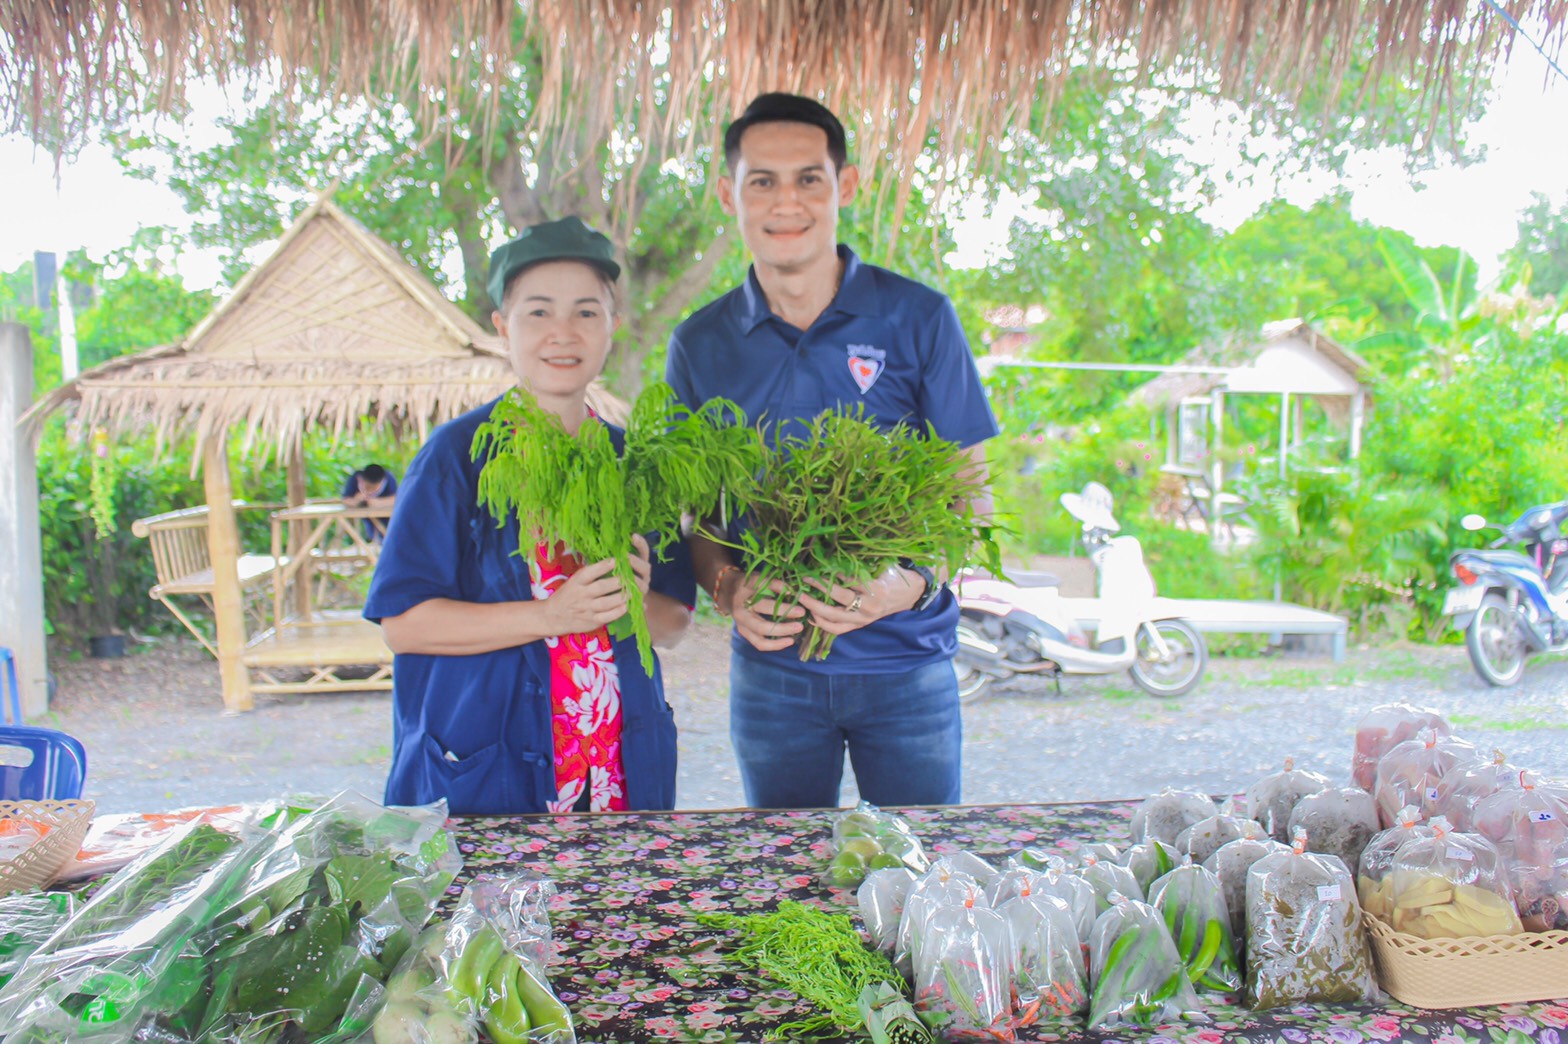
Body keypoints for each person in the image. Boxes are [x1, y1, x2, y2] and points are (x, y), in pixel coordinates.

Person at [665, 92, 998, 810]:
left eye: (808, 178)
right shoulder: (700, 342)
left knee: (919, 874)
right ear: (731, 194)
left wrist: (906, 585)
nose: (788, 201)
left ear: (844, 187)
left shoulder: (918, 317)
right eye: (763, 181)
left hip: (907, 668)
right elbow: (696, 523)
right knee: (789, 876)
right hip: (773, 677)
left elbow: (971, 499)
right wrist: (730, 590)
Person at [365, 216, 694, 815]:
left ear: (612, 328)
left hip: (618, 775)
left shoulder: (634, 460)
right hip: (490, 775)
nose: (562, 333)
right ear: (502, 328)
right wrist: (550, 615)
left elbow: (672, 624)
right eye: (538, 312)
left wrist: (634, 597)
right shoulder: (457, 456)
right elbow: (404, 625)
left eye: (586, 313)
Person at [341, 463, 399, 541]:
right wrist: (355, 500)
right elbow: (345, 500)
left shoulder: (389, 478)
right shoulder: (355, 478)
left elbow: (396, 499)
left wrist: (379, 503)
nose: (370, 490)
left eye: (373, 488)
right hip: (366, 517)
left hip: (386, 519)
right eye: (368, 487)